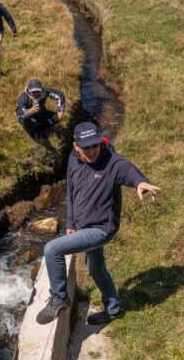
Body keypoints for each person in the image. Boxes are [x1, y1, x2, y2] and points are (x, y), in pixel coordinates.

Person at [36, 122, 161, 326]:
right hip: (83, 225)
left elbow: (129, 171)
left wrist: (141, 183)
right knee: (95, 267)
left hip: (102, 228)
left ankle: (60, 297)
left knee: (52, 249)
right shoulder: (73, 159)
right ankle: (114, 310)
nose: (92, 151)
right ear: (76, 146)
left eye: (95, 145)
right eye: (87, 147)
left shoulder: (112, 162)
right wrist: (71, 221)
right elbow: (72, 191)